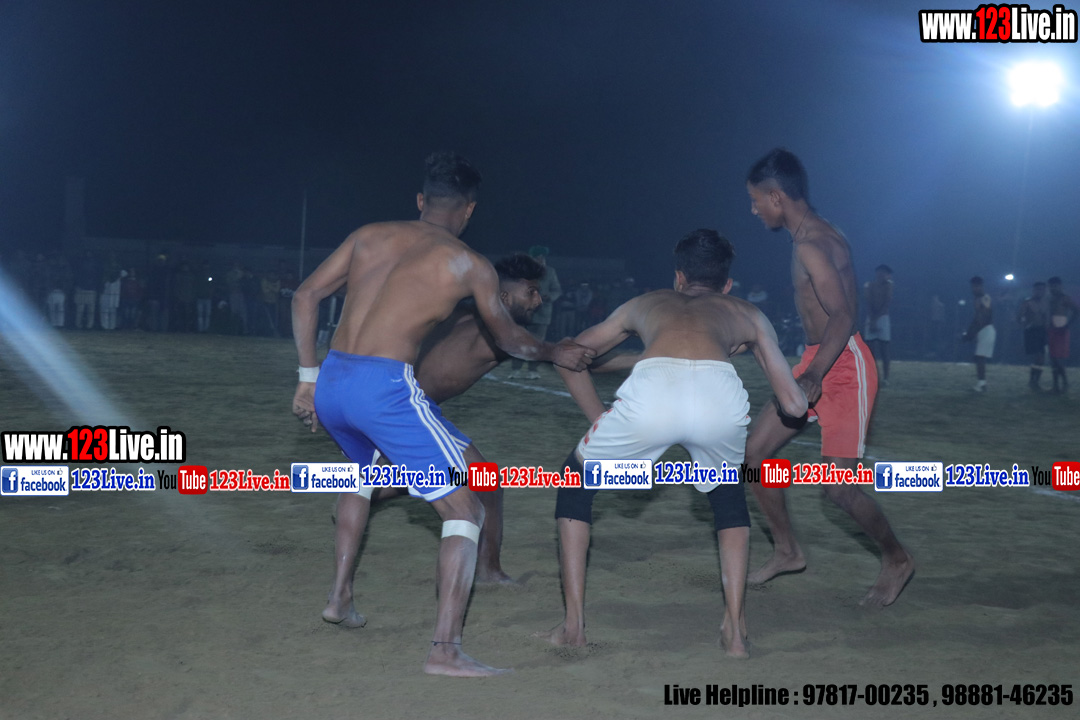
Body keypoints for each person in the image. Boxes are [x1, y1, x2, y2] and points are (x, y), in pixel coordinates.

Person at [290, 152, 593, 676]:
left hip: (334, 380)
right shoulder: (468, 263)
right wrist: (552, 351)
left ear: (420, 200)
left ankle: (339, 598)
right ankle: (445, 651)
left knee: (361, 478)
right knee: (466, 509)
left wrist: (307, 378)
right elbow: (509, 338)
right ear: (469, 209)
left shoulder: (368, 235)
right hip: (384, 388)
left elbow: (305, 295)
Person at [540, 229, 807, 658]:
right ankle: (735, 633)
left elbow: (569, 355)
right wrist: (749, 349)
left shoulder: (644, 302)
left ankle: (573, 626)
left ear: (678, 277)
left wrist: (599, 418)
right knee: (728, 497)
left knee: (575, 483)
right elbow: (794, 405)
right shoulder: (748, 313)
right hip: (720, 394)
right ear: (727, 284)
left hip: (653, 392)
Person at [326, 252, 548, 611]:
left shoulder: (456, 314)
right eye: (532, 292)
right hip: (405, 412)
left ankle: (487, 569)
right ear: (504, 297)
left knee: (480, 482)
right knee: (468, 489)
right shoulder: (501, 335)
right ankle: (485, 573)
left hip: (380, 399)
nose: (538, 301)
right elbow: (553, 355)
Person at [744, 148, 913, 608]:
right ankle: (787, 550)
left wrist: (815, 374)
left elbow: (843, 315)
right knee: (755, 456)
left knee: (838, 487)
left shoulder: (811, 245)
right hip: (817, 360)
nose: (754, 210)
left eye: (756, 200)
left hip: (843, 367)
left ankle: (897, 558)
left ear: (776, 197)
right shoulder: (816, 234)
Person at [507, 245, 562, 380]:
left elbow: (557, 290)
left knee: (537, 343)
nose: (540, 259)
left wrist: (550, 296)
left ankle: (533, 370)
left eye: (542, 257)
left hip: (542, 314)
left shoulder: (550, 272)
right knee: (519, 341)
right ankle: (516, 369)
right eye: (537, 257)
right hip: (524, 313)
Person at [962, 276, 995, 392]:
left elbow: (984, 316)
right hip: (982, 330)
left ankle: (982, 384)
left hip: (986, 329)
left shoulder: (985, 298)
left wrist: (971, 333)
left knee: (979, 357)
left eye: (976, 287)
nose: (973, 289)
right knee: (978, 357)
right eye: (972, 287)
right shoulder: (977, 299)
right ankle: (981, 383)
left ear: (981, 286)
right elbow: (977, 318)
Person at [1047, 276, 1077, 393]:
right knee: (1052, 359)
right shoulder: (1050, 298)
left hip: (1061, 329)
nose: (1052, 288)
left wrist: (1067, 325)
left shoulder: (1065, 298)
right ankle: (1056, 385)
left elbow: (1076, 311)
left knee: (1058, 359)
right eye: (1051, 286)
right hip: (1051, 329)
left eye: (1054, 286)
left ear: (1060, 286)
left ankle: (1064, 383)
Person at [864, 264, 893, 386]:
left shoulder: (889, 285)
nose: (883, 275)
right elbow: (868, 302)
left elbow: (886, 303)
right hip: (871, 317)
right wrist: (872, 319)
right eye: (881, 272)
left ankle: (885, 378)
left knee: (884, 348)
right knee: (870, 349)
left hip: (883, 318)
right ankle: (872, 377)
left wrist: (875, 320)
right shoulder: (869, 285)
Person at [1017, 281, 1048, 390]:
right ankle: (1033, 381)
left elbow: (1045, 318)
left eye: (1042, 289)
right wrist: (1025, 323)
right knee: (1038, 356)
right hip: (1031, 331)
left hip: (1042, 331)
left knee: (1041, 358)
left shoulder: (1045, 303)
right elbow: (1019, 317)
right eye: (1038, 289)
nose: (1040, 292)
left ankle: (1035, 381)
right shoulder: (1027, 302)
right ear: (1034, 290)